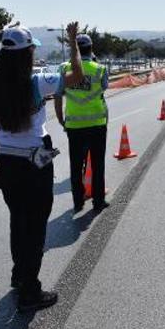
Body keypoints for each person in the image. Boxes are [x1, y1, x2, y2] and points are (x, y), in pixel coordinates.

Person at [0, 23, 85, 312]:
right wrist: (73, 44)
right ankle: (30, 288)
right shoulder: (39, 82)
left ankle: (20, 275)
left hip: (7, 161)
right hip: (34, 162)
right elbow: (76, 75)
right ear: (27, 53)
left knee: (19, 220)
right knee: (37, 224)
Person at [53, 33, 109, 212]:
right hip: (97, 124)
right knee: (98, 164)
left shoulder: (64, 69)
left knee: (76, 166)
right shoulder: (100, 69)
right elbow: (104, 88)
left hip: (75, 126)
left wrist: (61, 119)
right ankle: (98, 201)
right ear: (91, 48)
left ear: (74, 49)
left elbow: (57, 95)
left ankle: (78, 202)